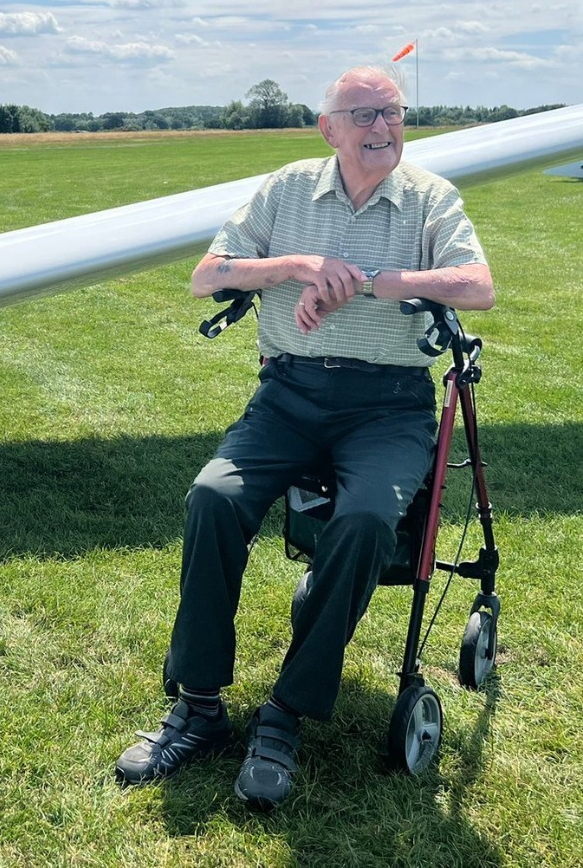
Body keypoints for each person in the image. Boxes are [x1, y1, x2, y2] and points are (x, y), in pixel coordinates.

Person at [114, 65, 494, 811]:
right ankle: (198, 706)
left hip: (388, 406)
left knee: (361, 525)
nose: (383, 126)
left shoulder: (429, 198)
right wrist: (301, 265)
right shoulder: (286, 189)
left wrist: (378, 278)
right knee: (212, 496)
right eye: (364, 114)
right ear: (329, 129)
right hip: (288, 393)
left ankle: (284, 715)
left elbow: (478, 284)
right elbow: (205, 275)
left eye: (392, 111)